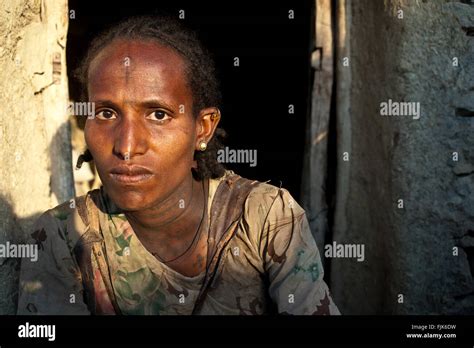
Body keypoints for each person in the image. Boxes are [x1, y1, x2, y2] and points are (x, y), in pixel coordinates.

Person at [17, 15, 339, 315]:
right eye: (106, 113)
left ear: (203, 128)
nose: (127, 146)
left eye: (158, 114)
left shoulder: (264, 217)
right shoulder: (62, 235)